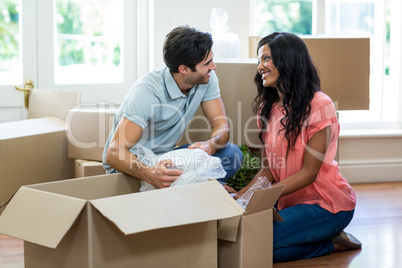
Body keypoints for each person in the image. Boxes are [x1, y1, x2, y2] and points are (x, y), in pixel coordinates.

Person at [224, 32, 362, 262]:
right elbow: (268, 170)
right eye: (259, 60)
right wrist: (241, 196)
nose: (260, 66)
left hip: (327, 205)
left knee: (259, 246)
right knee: (246, 241)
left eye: (266, 59)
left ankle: (331, 243)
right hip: (289, 204)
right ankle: (316, 238)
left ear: (287, 60)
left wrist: (256, 197)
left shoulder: (320, 105)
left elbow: (309, 173)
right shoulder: (266, 110)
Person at [103, 25, 242, 188]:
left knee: (231, 154)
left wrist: (211, 144)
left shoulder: (207, 79)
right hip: (133, 166)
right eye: (207, 63)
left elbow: (221, 125)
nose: (213, 67)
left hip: (166, 158)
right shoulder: (146, 92)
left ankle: (190, 190)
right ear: (184, 69)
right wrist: (149, 173)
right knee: (180, 183)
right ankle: (195, 190)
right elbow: (113, 153)